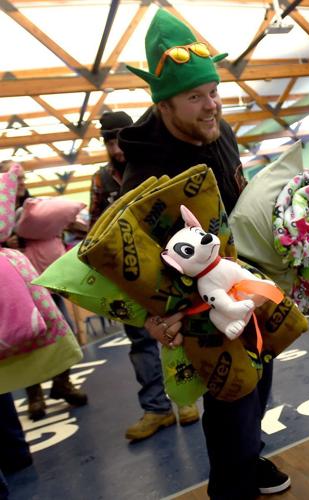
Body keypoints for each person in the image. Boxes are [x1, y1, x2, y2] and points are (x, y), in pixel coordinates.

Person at [118, 9, 289, 498]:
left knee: (260, 377)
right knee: (231, 396)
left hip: (246, 281)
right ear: (164, 104)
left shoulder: (221, 131)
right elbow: (135, 257)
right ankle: (231, 488)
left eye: (214, 92)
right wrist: (155, 316)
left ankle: (250, 459)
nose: (211, 105)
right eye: (195, 97)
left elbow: (240, 196)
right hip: (197, 304)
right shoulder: (144, 171)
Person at [89, 111, 200, 441]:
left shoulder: (154, 161)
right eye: (109, 141)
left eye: (120, 138)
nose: (116, 147)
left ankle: (186, 401)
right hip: (127, 274)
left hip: (169, 266)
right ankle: (156, 409)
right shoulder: (102, 180)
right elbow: (95, 225)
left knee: (181, 330)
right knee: (140, 341)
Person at [0, 160, 88, 421]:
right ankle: (35, 396)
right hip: (19, 287)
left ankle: (63, 383)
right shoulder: (4, 213)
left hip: (48, 280)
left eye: (25, 178)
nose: (22, 183)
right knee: (26, 336)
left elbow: (63, 223)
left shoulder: (37, 207)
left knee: (65, 331)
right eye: (18, 178)